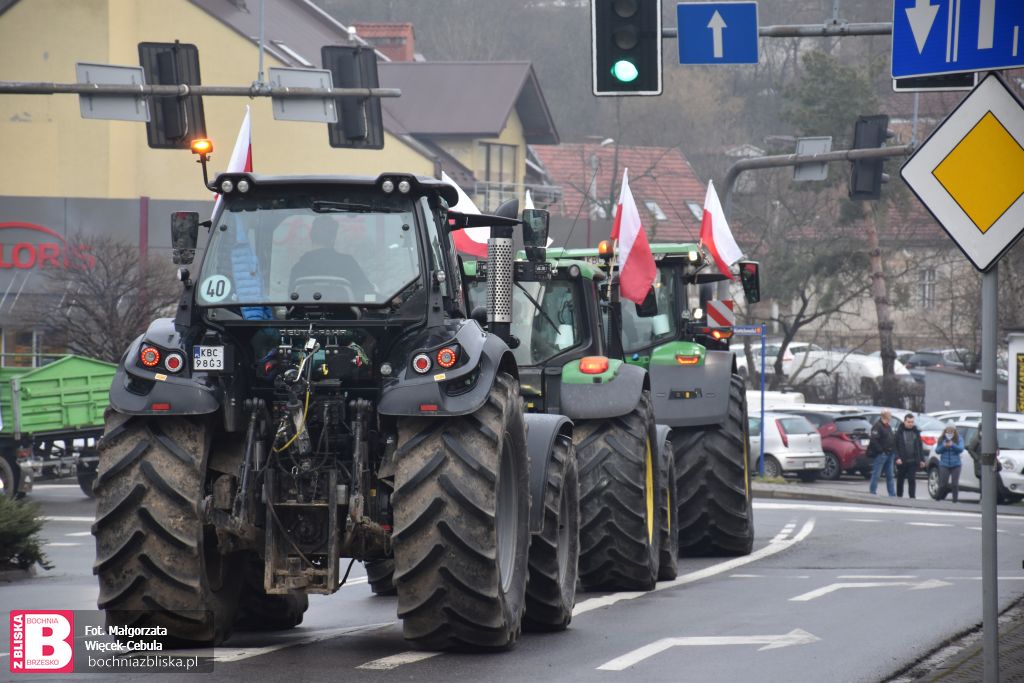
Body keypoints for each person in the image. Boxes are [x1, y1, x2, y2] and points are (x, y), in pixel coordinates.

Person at [288, 216, 372, 295]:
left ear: (311, 236)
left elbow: (290, 302)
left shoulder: (298, 268)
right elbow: (366, 293)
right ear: (333, 238)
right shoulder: (348, 264)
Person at [894, 413, 925, 498]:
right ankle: (899, 497)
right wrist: (897, 458)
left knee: (912, 479)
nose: (910, 424)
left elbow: (919, 447)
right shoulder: (899, 433)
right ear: (904, 422)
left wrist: (922, 460)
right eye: (908, 422)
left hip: (913, 461)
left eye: (912, 422)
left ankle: (912, 498)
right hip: (902, 461)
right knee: (900, 480)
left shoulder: (916, 432)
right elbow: (895, 447)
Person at [867, 409, 897, 496]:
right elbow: (874, 440)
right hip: (881, 455)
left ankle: (892, 494)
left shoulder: (888, 426)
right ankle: (872, 492)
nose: (891, 416)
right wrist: (881, 451)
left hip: (890, 454)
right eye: (889, 415)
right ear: (885, 416)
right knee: (876, 474)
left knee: (890, 475)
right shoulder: (877, 426)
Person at [934, 425, 965, 502]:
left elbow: (961, 449)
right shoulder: (941, 439)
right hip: (944, 464)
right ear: (945, 431)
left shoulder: (959, 438)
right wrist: (944, 446)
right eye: (948, 431)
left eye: (952, 431)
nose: (950, 433)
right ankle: (938, 498)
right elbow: (937, 450)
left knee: (955, 484)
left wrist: (953, 445)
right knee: (943, 483)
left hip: (956, 464)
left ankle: (955, 500)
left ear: (954, 431)